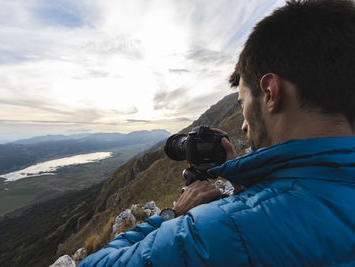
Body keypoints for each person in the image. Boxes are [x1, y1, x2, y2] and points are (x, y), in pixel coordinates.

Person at [78, 0, 355, 266]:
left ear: (270, 93)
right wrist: (245, 180)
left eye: (242, 103)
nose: (244, 125)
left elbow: (93, 264)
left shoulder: (218, 234)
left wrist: (173, 215)